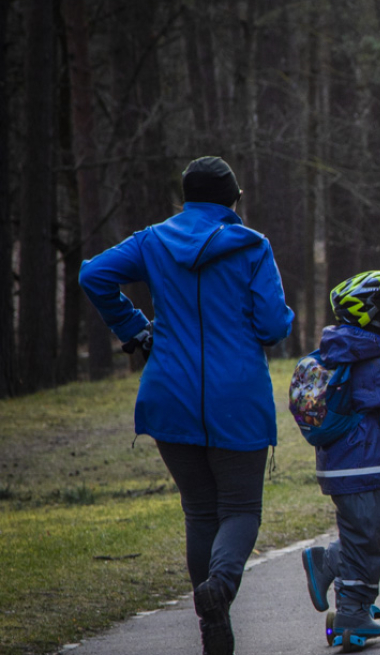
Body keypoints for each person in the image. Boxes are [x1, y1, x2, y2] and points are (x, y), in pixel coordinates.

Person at [79, 156, 294, 655]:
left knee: (199, 512)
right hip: (236, 395)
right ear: (233, 201)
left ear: (187, 199)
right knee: (240, 507)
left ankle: (211, 628)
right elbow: (273, 327)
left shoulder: (152, 241)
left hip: (168, 394)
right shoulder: (254, 247)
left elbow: (94, 275)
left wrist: (133, 328)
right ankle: (218, 590)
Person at [300, 271, 380, 648]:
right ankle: (352, 610)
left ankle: (332, 562)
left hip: (348, 467)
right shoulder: (379, 363)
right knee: (367, 536)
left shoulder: (341, 352)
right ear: (377, 316)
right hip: (361, 467)